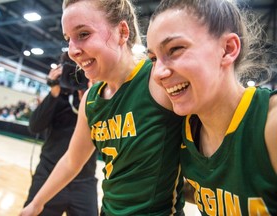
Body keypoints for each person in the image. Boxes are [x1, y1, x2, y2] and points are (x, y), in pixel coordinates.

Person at [20, 0, 185, 215]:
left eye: (83, 34)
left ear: (122, 32)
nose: (72, 51)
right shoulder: (91, 100)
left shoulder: (157, 79)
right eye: (68, 39)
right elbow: (72, 161)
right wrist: (36, 204)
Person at [146, 0, 277, 215]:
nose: (158, 73)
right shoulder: (182, 130)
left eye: (175, 49)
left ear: (227, 49)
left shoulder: (270, 124)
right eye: (153, 58)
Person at [23, 52, 98, 216]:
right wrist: (53, 91)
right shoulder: (58, 99)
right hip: (48, 176)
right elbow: (34, 126)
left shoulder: (96, 99)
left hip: (84, 181)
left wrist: (94, 99)